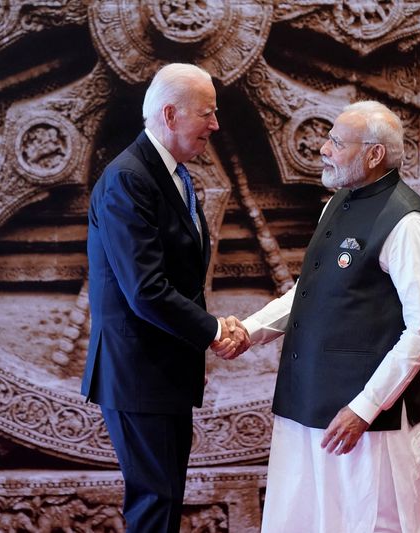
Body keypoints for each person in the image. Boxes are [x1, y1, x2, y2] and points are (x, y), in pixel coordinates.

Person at [222, 100, 420, 532]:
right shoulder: (336, 203)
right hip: (306, 404)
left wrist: (365, 408)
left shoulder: (406, 221)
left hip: (362, 422)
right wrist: (249, 331)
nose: (324, 149)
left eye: (337, 142)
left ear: (374, 155)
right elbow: (310, 295)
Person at [80, 63, 246, 533]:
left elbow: (178, 276)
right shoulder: (129, 179)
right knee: (155, 504)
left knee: (165, 500)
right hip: (138, 374)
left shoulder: (171, 174)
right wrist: (213, 330)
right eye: (207, 114)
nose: (215, 125)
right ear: (170, 115)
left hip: (163, 373)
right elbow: (145, 290)